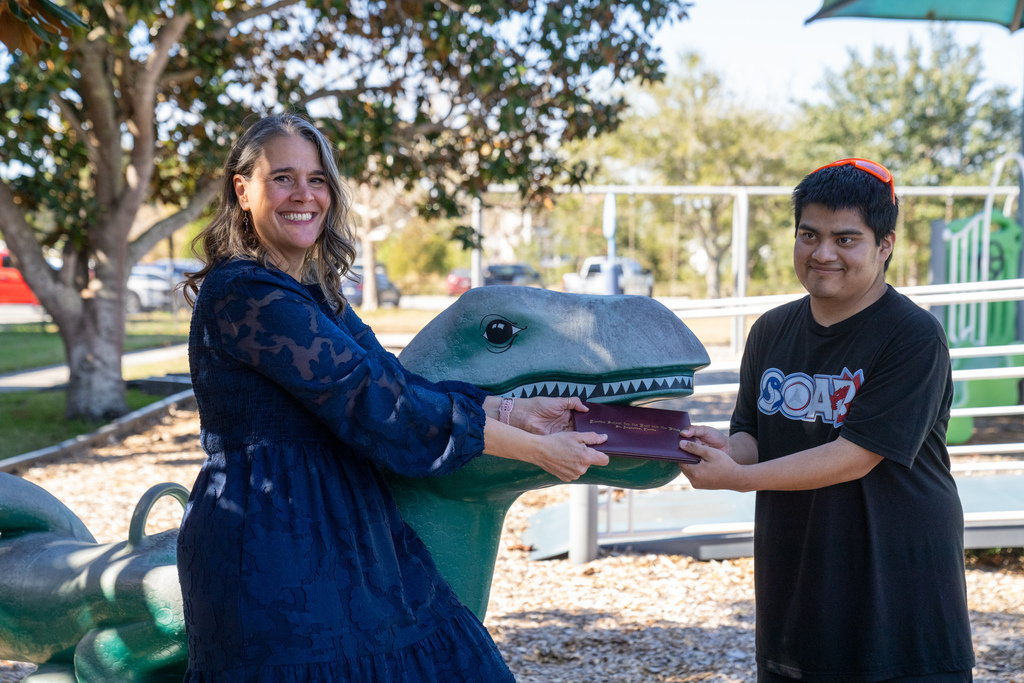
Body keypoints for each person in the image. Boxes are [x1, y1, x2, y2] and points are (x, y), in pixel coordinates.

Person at [178, 113, 610, 682]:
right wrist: (533, 451)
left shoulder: (315, 294)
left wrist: (515, 413)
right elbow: (372, 403)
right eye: (282, 178)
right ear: (243, 189)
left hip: (350, 531)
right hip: (269, 542)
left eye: (317, 179)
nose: (304, 195)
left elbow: (391, 380)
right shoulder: (244, 293)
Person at [678, 158, 975, 683]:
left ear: (884, 245)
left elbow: (855, 455)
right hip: (797, 582)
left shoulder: (912, 336)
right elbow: (754, 434)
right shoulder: (770, 331)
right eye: (808, 235)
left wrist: (740, 479)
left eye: (845, 239)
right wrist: (721, 450)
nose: (822, 253)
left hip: (898, 591)